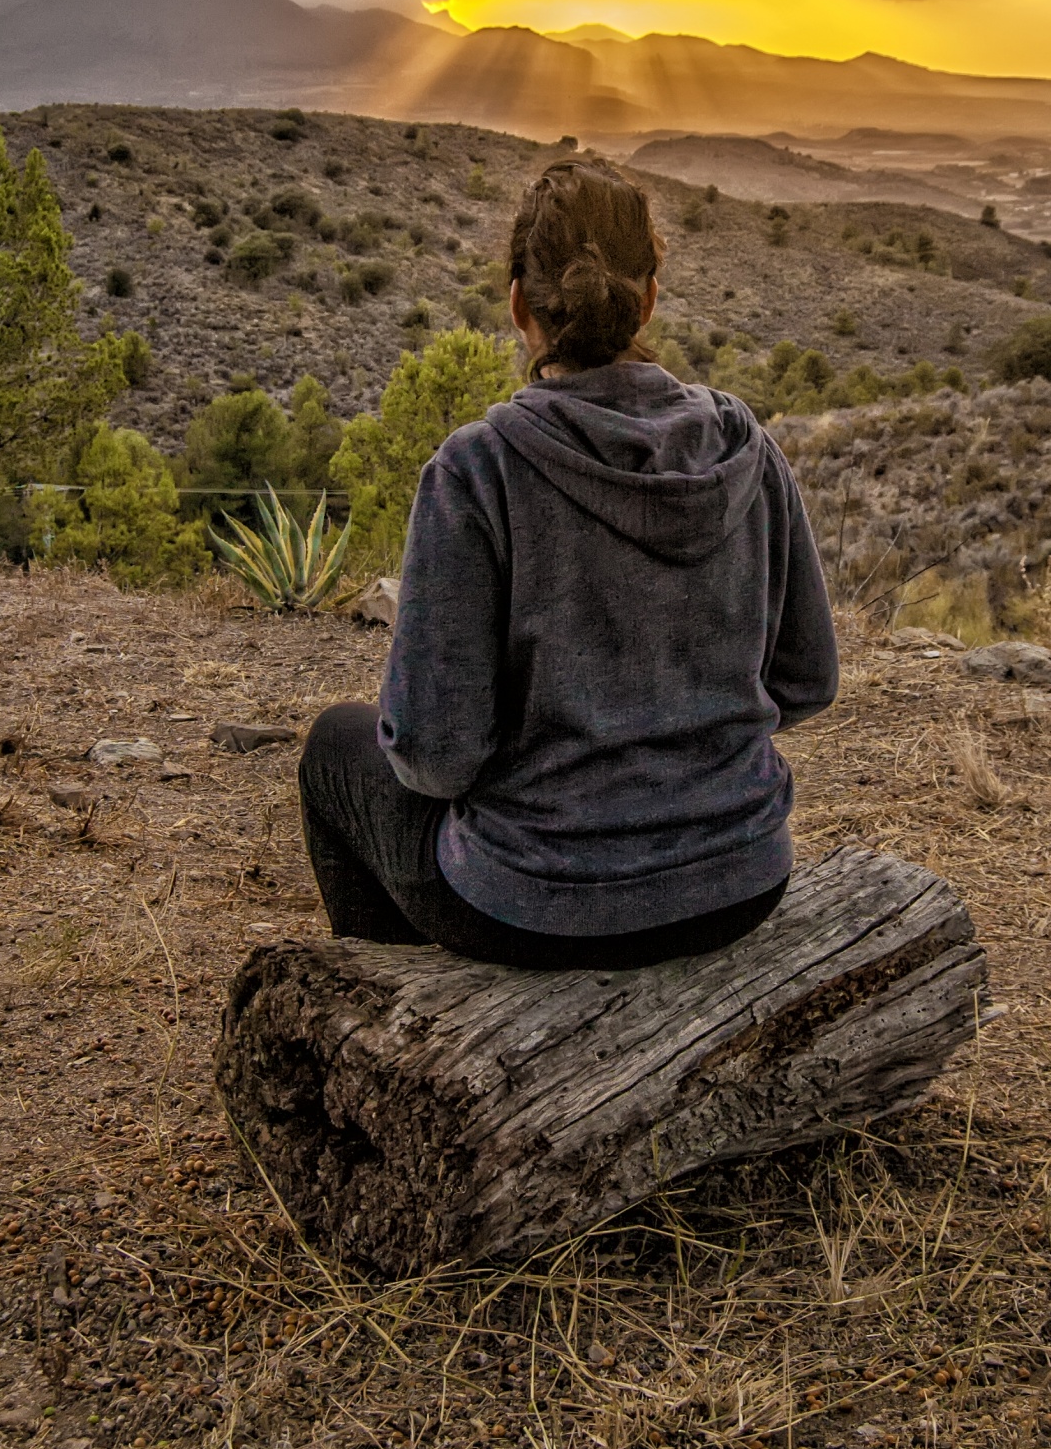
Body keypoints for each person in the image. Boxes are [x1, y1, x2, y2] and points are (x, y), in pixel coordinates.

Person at [299, 157, 838, 969]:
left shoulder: (478, 469)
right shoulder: (746, 449)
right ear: (650, 295)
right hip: (740, 884)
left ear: (518, 303)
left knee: (334, 750)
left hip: (538, 904)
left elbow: (434, 756)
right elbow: (808, 681)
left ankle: (397, 1020)